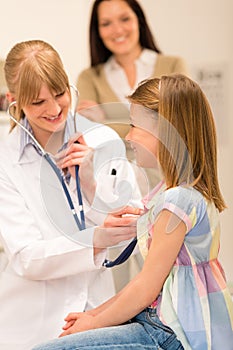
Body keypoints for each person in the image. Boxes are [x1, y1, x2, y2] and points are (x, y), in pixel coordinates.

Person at [33, 74, 233, 350]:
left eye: (134, 126)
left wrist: (94, 322)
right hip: (160, 321)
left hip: (172, 333)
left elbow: (145, 286)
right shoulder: (173, 193)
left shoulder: (178, 201)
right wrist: (92, 314)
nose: (128, 136)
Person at [0, 39, 143, 350]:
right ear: (14, 101)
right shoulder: (5, 161)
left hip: (98, 315)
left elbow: (134, 225)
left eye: (60, 94)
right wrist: (96, 239)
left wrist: (92, 186)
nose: (53, 110)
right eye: (37, 103)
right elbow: (26, 257)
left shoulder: (103, 139)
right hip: (29, 325)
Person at [76, 0, 188, 133]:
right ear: (98, 31)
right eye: (106, 24)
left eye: (125, 19)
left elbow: (182, 125)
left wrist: (104, 123)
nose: (117, 30)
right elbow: (88, 134)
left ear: (139, 21)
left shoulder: (173, 66)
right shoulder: (90, 78)